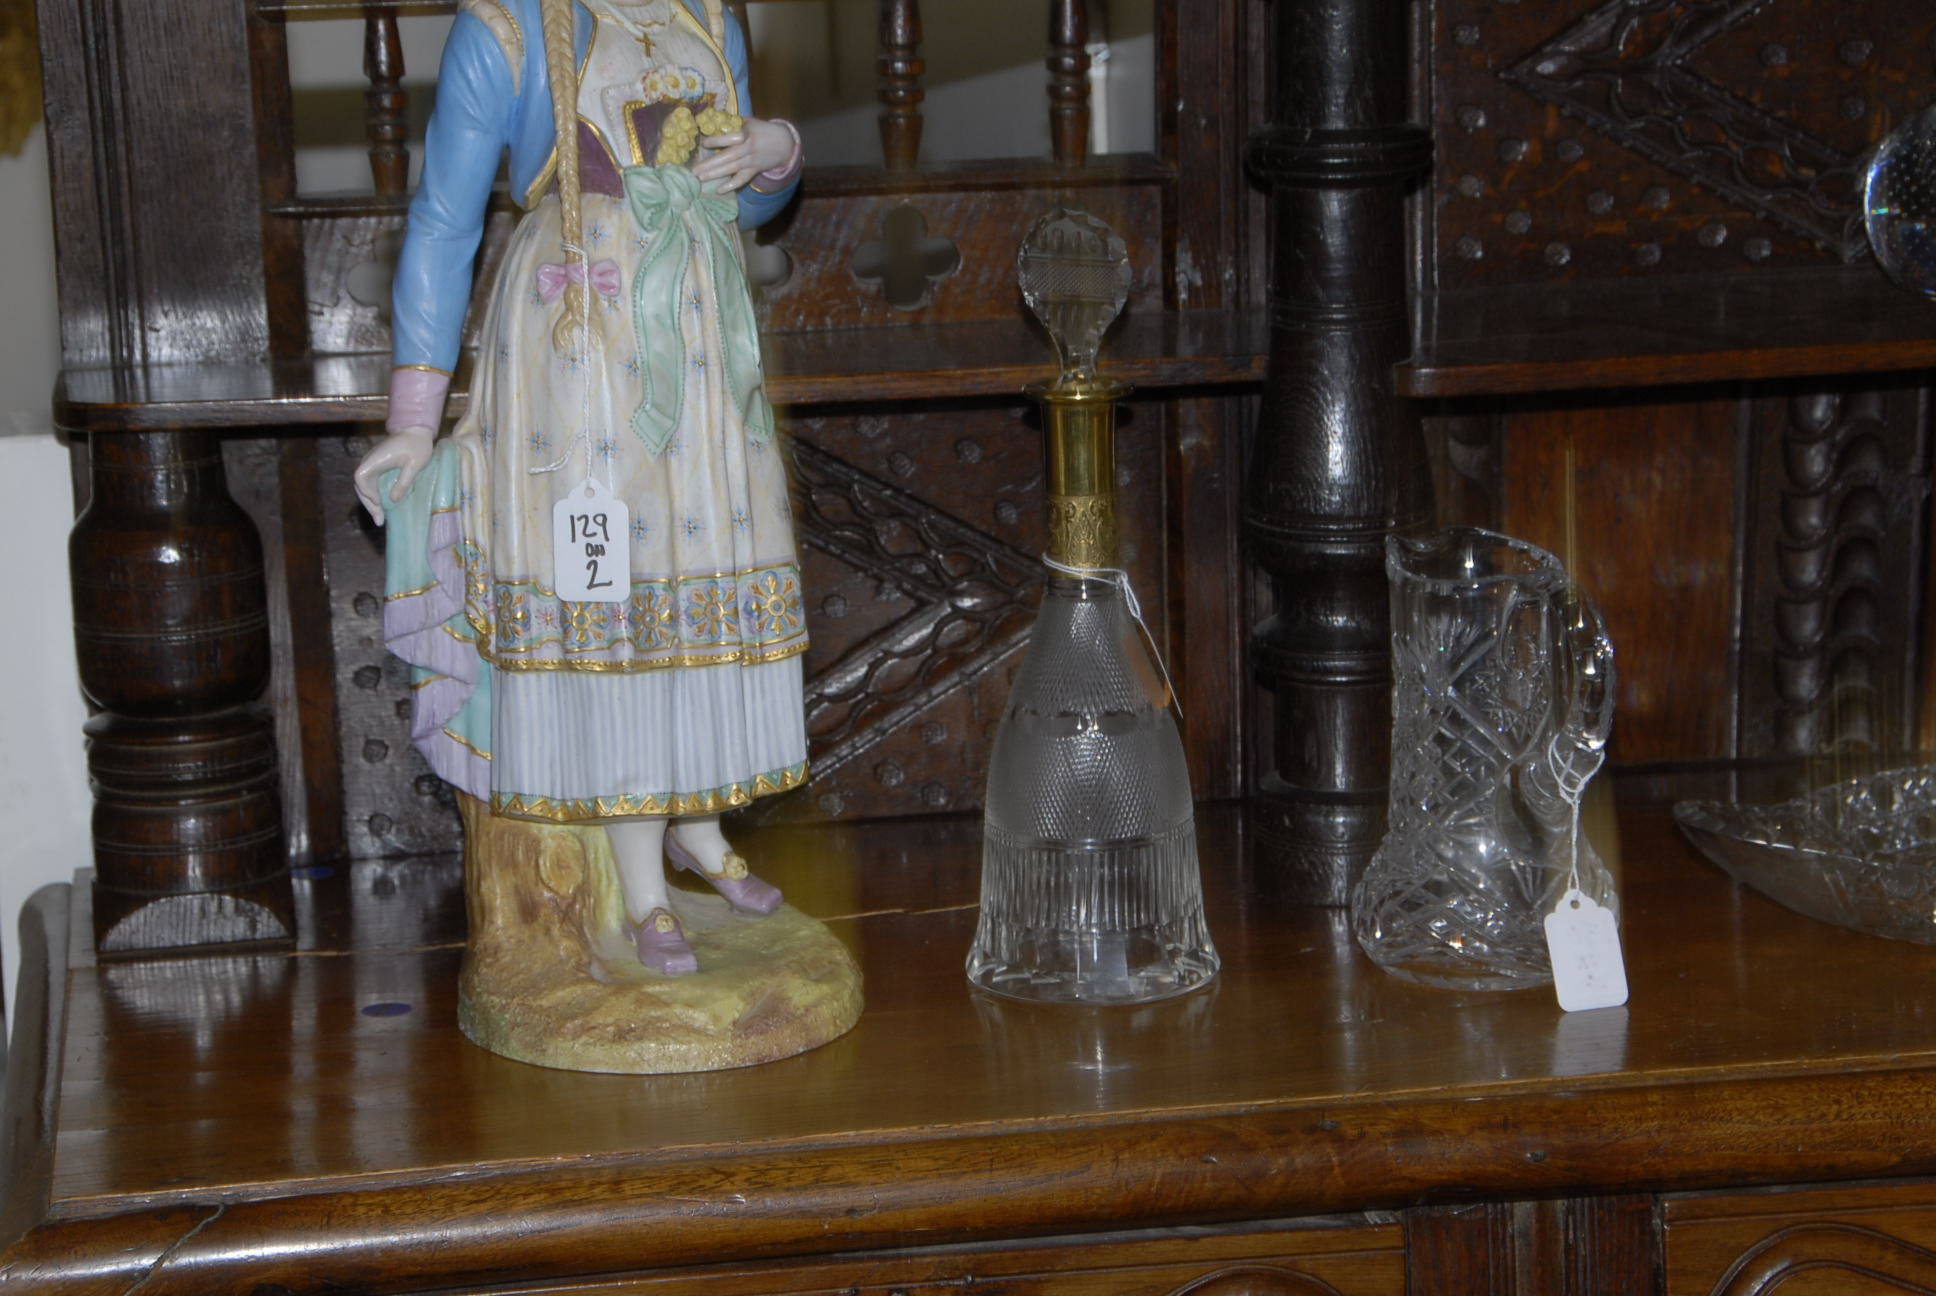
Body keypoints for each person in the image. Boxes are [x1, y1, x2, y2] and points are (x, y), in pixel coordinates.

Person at [354, 0, 807, 976]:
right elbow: (444, 220)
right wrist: (413, 417)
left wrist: (773, 151)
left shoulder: (707, 15)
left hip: (698, 334)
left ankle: (700, 820)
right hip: (584, 346)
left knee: (705, 566)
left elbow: (741, 200)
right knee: (615, 587)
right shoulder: (508, 30)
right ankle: (641, 883)